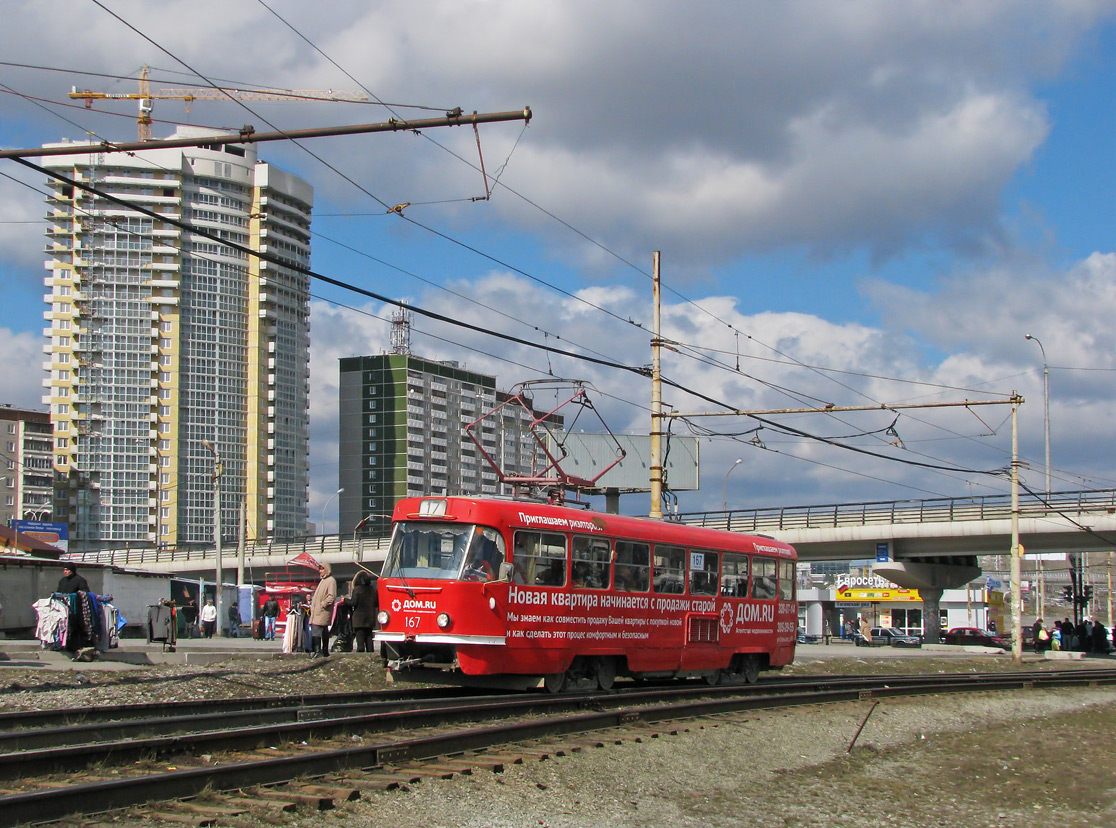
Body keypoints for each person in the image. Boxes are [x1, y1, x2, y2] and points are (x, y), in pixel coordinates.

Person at [309, 562, 337, 658]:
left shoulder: (330, 581)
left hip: (322, 611)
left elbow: (331, 596)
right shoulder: (323, 581)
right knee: (323, 631)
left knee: (317, 630)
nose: (320, 571)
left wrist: (322, 605)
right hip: (318, 611)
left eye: (322, 569)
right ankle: (324, 651)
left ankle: (318, 651)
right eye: (320, 569)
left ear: (327, 570)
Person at [349, 571, 378, 653]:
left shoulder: (357, 590)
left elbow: (353, 603)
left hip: (359, 620)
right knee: (369, 639)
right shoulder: (373, 590)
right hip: (370, 618)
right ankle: (371, 656)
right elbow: (376, 603)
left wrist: (345, 600)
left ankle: (361, 656)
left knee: (360, 641)